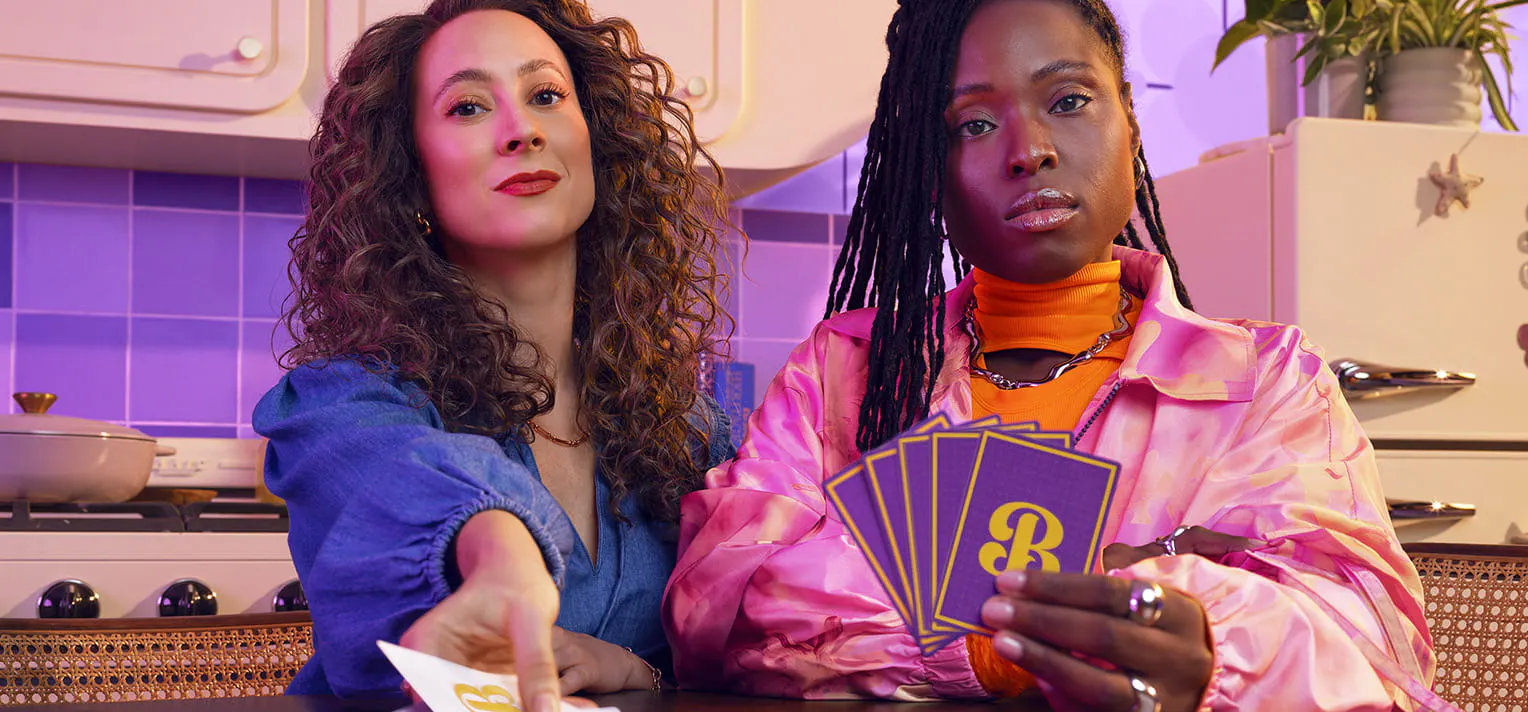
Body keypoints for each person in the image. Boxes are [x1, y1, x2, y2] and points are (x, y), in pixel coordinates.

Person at [662, 0, 1435, 709]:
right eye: (973, 124)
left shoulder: (1265, 382)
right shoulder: (845, 370)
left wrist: (1214, 652)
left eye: (1068, 101)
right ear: (930, 177)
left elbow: (1371, 651)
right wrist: (1012, 645)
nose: (1029, 151)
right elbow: (721, 603)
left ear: (1130, 124)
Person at [253, 1, 735, 709]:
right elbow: (395, 475)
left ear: (598, 144)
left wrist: (640, 673)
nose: (522, 130)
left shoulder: (689, 431)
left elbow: (746, 650)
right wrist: (499, 551)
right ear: (411, 177)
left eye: (546, 95)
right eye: (469, 107)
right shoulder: (342, 405)